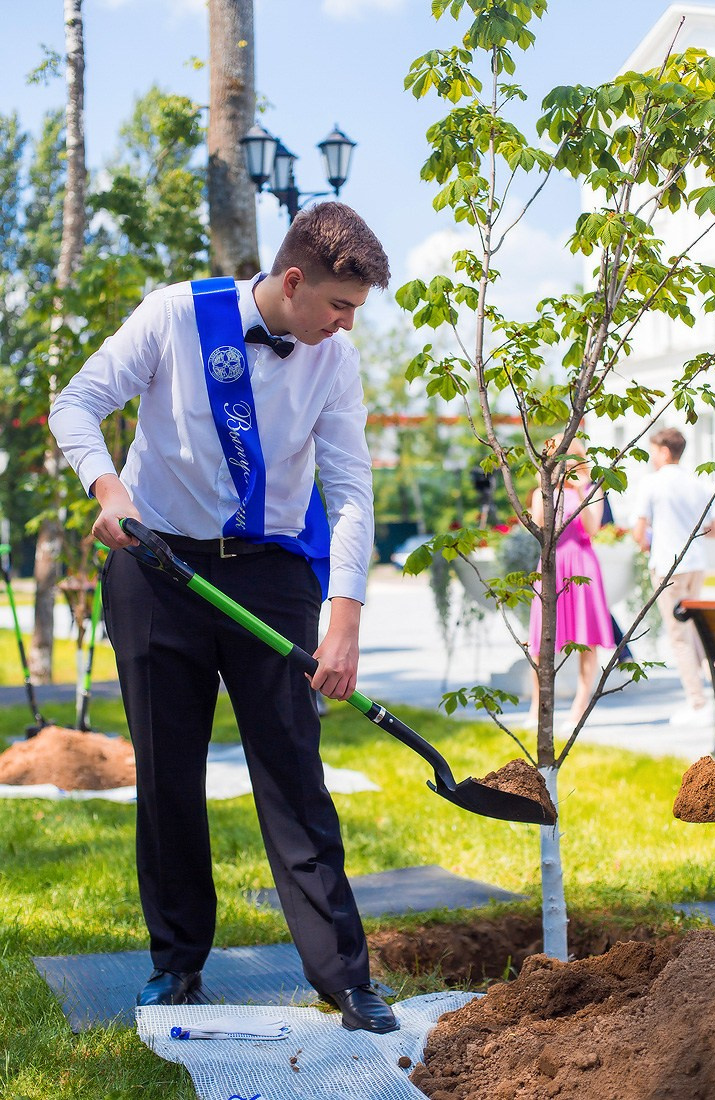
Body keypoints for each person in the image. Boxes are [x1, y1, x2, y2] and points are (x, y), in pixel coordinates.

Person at [48, 202, 398, 1034]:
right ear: (292, 280)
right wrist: (109, 492)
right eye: (340, 306)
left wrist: (343, 614)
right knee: (168, 776)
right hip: (156, 568)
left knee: (293, 775)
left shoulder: (332, 360)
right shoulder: (173, 316)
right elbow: (77, 403)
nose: (346, 325)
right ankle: (176, 965)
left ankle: (345, 978)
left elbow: (350, 489)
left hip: (272, 578)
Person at [632, 427, 715, 725]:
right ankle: (711, 695)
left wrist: (653, 539)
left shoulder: (652, 484)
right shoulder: (697, 482)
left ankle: (697, 703)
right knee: (698, 632)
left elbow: (638, 534)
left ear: (663, 451)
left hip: (670, 566)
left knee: (679, 637)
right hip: (696, 564)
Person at [528, 436, 615, 729]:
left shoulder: (592, 489)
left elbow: (592, 528)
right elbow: (540, 525)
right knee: (539, 642)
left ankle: (579, 707)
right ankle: (536, 708)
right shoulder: (544, 490)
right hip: (552, 565)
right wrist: (546, 487)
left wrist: (580, 487)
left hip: (582, 565)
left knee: (586, 638)